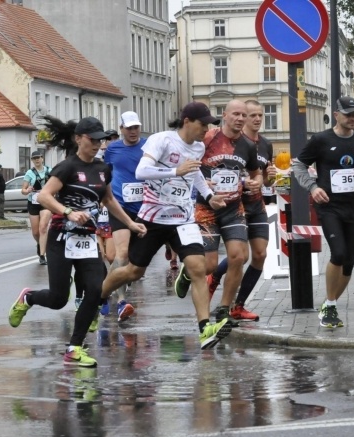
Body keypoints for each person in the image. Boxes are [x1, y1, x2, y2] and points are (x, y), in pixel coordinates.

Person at [7, 116, 147, 368]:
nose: (96, 144)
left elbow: (109, 200)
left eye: (100, 140)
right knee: (59, 298)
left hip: (86, 239)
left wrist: (129, 223)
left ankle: (74, 348)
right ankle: (28, 298)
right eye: (92, 140)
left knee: (95, 291)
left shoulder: (103, 169)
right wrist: (68, 211)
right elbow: (44, 196)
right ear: (78, 139)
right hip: (61, 238)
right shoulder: (66, 167)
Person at [99, 102, 233, 349]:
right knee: (133, 271)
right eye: (203, 124)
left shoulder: (199, 147)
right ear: (187, 121)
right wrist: (174, 171)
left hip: (183, 219)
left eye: (208, 125)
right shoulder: (162, 140)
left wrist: (208, 195)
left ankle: (204, 328)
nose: (206, 129)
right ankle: (99, 296)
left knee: (198, 268)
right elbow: (142, 171)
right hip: (153, 217)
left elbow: (194, 175)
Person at [291, 96, 354, 328]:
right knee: (338, 254)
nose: (352, 118)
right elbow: (298, 165)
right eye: (348, 114)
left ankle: (328, 305)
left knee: (349, 262)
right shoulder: (321, 139)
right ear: (336, 115)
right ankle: (331, 306)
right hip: (329, 206)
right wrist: (312, 187)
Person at [174, 99, 261, 325]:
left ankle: (224, 309)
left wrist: (255, 182)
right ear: (225, 115)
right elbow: (187, 166)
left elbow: (256, 173)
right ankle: (185, 274)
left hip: (233, 209)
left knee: (239, 257)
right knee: (210, 265)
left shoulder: (248, 145)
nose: (240, 119)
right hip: (206, 208)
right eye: (236, 114)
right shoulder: (207, 138)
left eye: (244, 115)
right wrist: (202, 184)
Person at [206, 99, 276, 321]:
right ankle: (216, 278)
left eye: (259, 116)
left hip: (256, 204)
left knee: (260, 254)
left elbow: (263, 180)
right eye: (251, 115)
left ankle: (238, 305)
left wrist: (267, 179)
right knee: (239, 256)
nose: (255, 119)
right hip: (238, 205)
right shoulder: (227, 141)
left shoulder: (264, 145)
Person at [104, 111, 146, 313]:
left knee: (133, 261)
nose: (133, 132)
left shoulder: (148, 147)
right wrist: (105, 197)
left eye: (136, 127)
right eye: (129, 128)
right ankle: (121, 301)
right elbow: (106, 174)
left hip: (144, 208)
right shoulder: (112, 149)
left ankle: (105, 286)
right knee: (120, 254)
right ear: (121, 129)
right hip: (120, 207)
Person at [22, 151, 51, 265]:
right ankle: (40, 244)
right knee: (35, 232)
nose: (37, 160)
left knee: (43, 227)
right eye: (34, 158)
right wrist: (27, 190)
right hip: (33, 202)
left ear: (42, 158)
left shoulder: (50, 171)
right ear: (32, 160)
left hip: (46, 202)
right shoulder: (30, 173)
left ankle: (42, 255)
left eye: (38, 158)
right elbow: (23, 190)